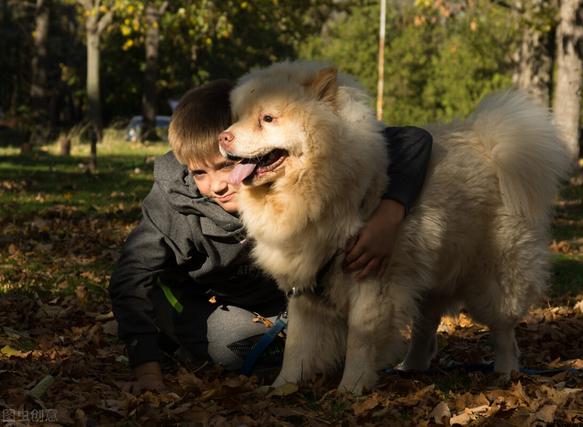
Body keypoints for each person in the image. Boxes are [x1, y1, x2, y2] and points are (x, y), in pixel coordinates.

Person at [109, 79, 432, 393]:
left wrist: (390, 214)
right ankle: (177, 339)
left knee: (340, 337)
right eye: (199, 173)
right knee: (239, 345)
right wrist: (145, 367)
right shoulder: (172, 203)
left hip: (279, 300)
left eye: (226, 166)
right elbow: (131, 276)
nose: (219, 185)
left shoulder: (270, 171)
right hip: (198, 298)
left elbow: (413, 139)